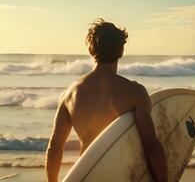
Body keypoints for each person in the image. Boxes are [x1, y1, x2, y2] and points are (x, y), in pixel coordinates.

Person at [45, 18, 168, 182]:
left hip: (88, 175)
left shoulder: (70, 93)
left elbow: (55, 148)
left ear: (91, 49)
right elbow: (151, 146)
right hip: (123, 176)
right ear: (121, 51)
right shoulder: (135, 92)